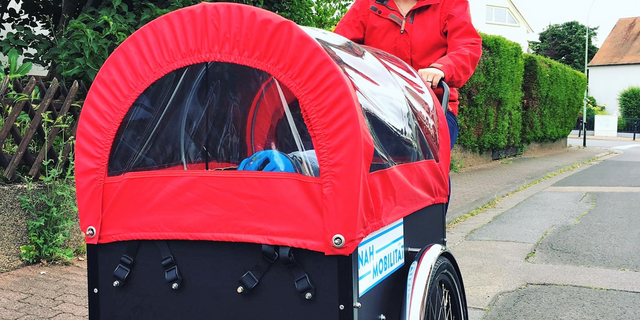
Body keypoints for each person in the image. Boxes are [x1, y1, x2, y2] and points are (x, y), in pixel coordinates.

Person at [334, 0, 482, 149]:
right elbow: (337, 47)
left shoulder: (450, 3)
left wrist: (441, 69)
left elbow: (467, 47)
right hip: (375, 107)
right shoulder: (368, 4)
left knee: (427, 164)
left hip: (432, 111)